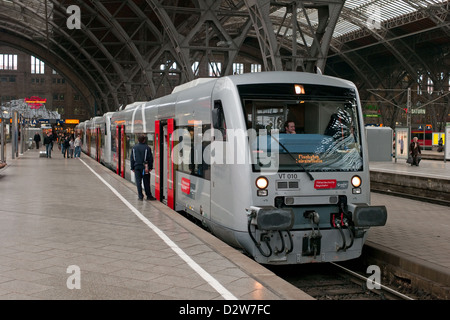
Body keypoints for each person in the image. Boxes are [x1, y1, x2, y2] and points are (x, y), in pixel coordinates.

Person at [131, 134, 156, 201]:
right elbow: (150, 159)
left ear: (138, 140)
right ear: (144, 140)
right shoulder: (147, 148)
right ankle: (148, 195)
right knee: (146, 182)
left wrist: (132, 167)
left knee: (138, 182)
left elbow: (132, 158)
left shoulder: (134, 148)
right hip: (145, 167)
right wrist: (150, 167)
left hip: (136, 167)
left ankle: (140, 196)